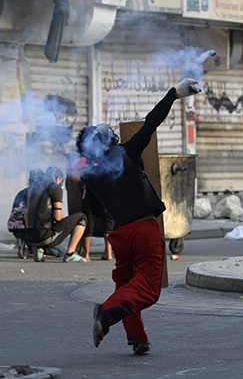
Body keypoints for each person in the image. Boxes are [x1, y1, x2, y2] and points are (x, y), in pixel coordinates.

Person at [74, 78, 201, 355]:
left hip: (120, 236)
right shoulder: (126, 152)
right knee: (147, 288)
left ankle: (138, 338)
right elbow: (151, 122)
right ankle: (106, 313)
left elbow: (95, 212)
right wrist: (175, 93)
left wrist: (86, 186)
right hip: (143, 229)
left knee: (126, 284)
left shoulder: (91, 175)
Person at [24, 166, 88, 262]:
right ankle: (70, 254)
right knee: (82, 218)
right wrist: (68, 226)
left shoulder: (33, 188)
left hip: (30, 237)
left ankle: (39, 249)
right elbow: (58, 217)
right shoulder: (55, 188)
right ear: (58, 179)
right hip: (45, 236)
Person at [10, 169, 44, 258]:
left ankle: (25, 243)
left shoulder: (22, 193)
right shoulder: (44, 193)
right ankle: (32, 247)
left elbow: (14, 211)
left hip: (18, 229)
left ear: (29, 180)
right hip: (36, 232)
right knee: (59, 252)